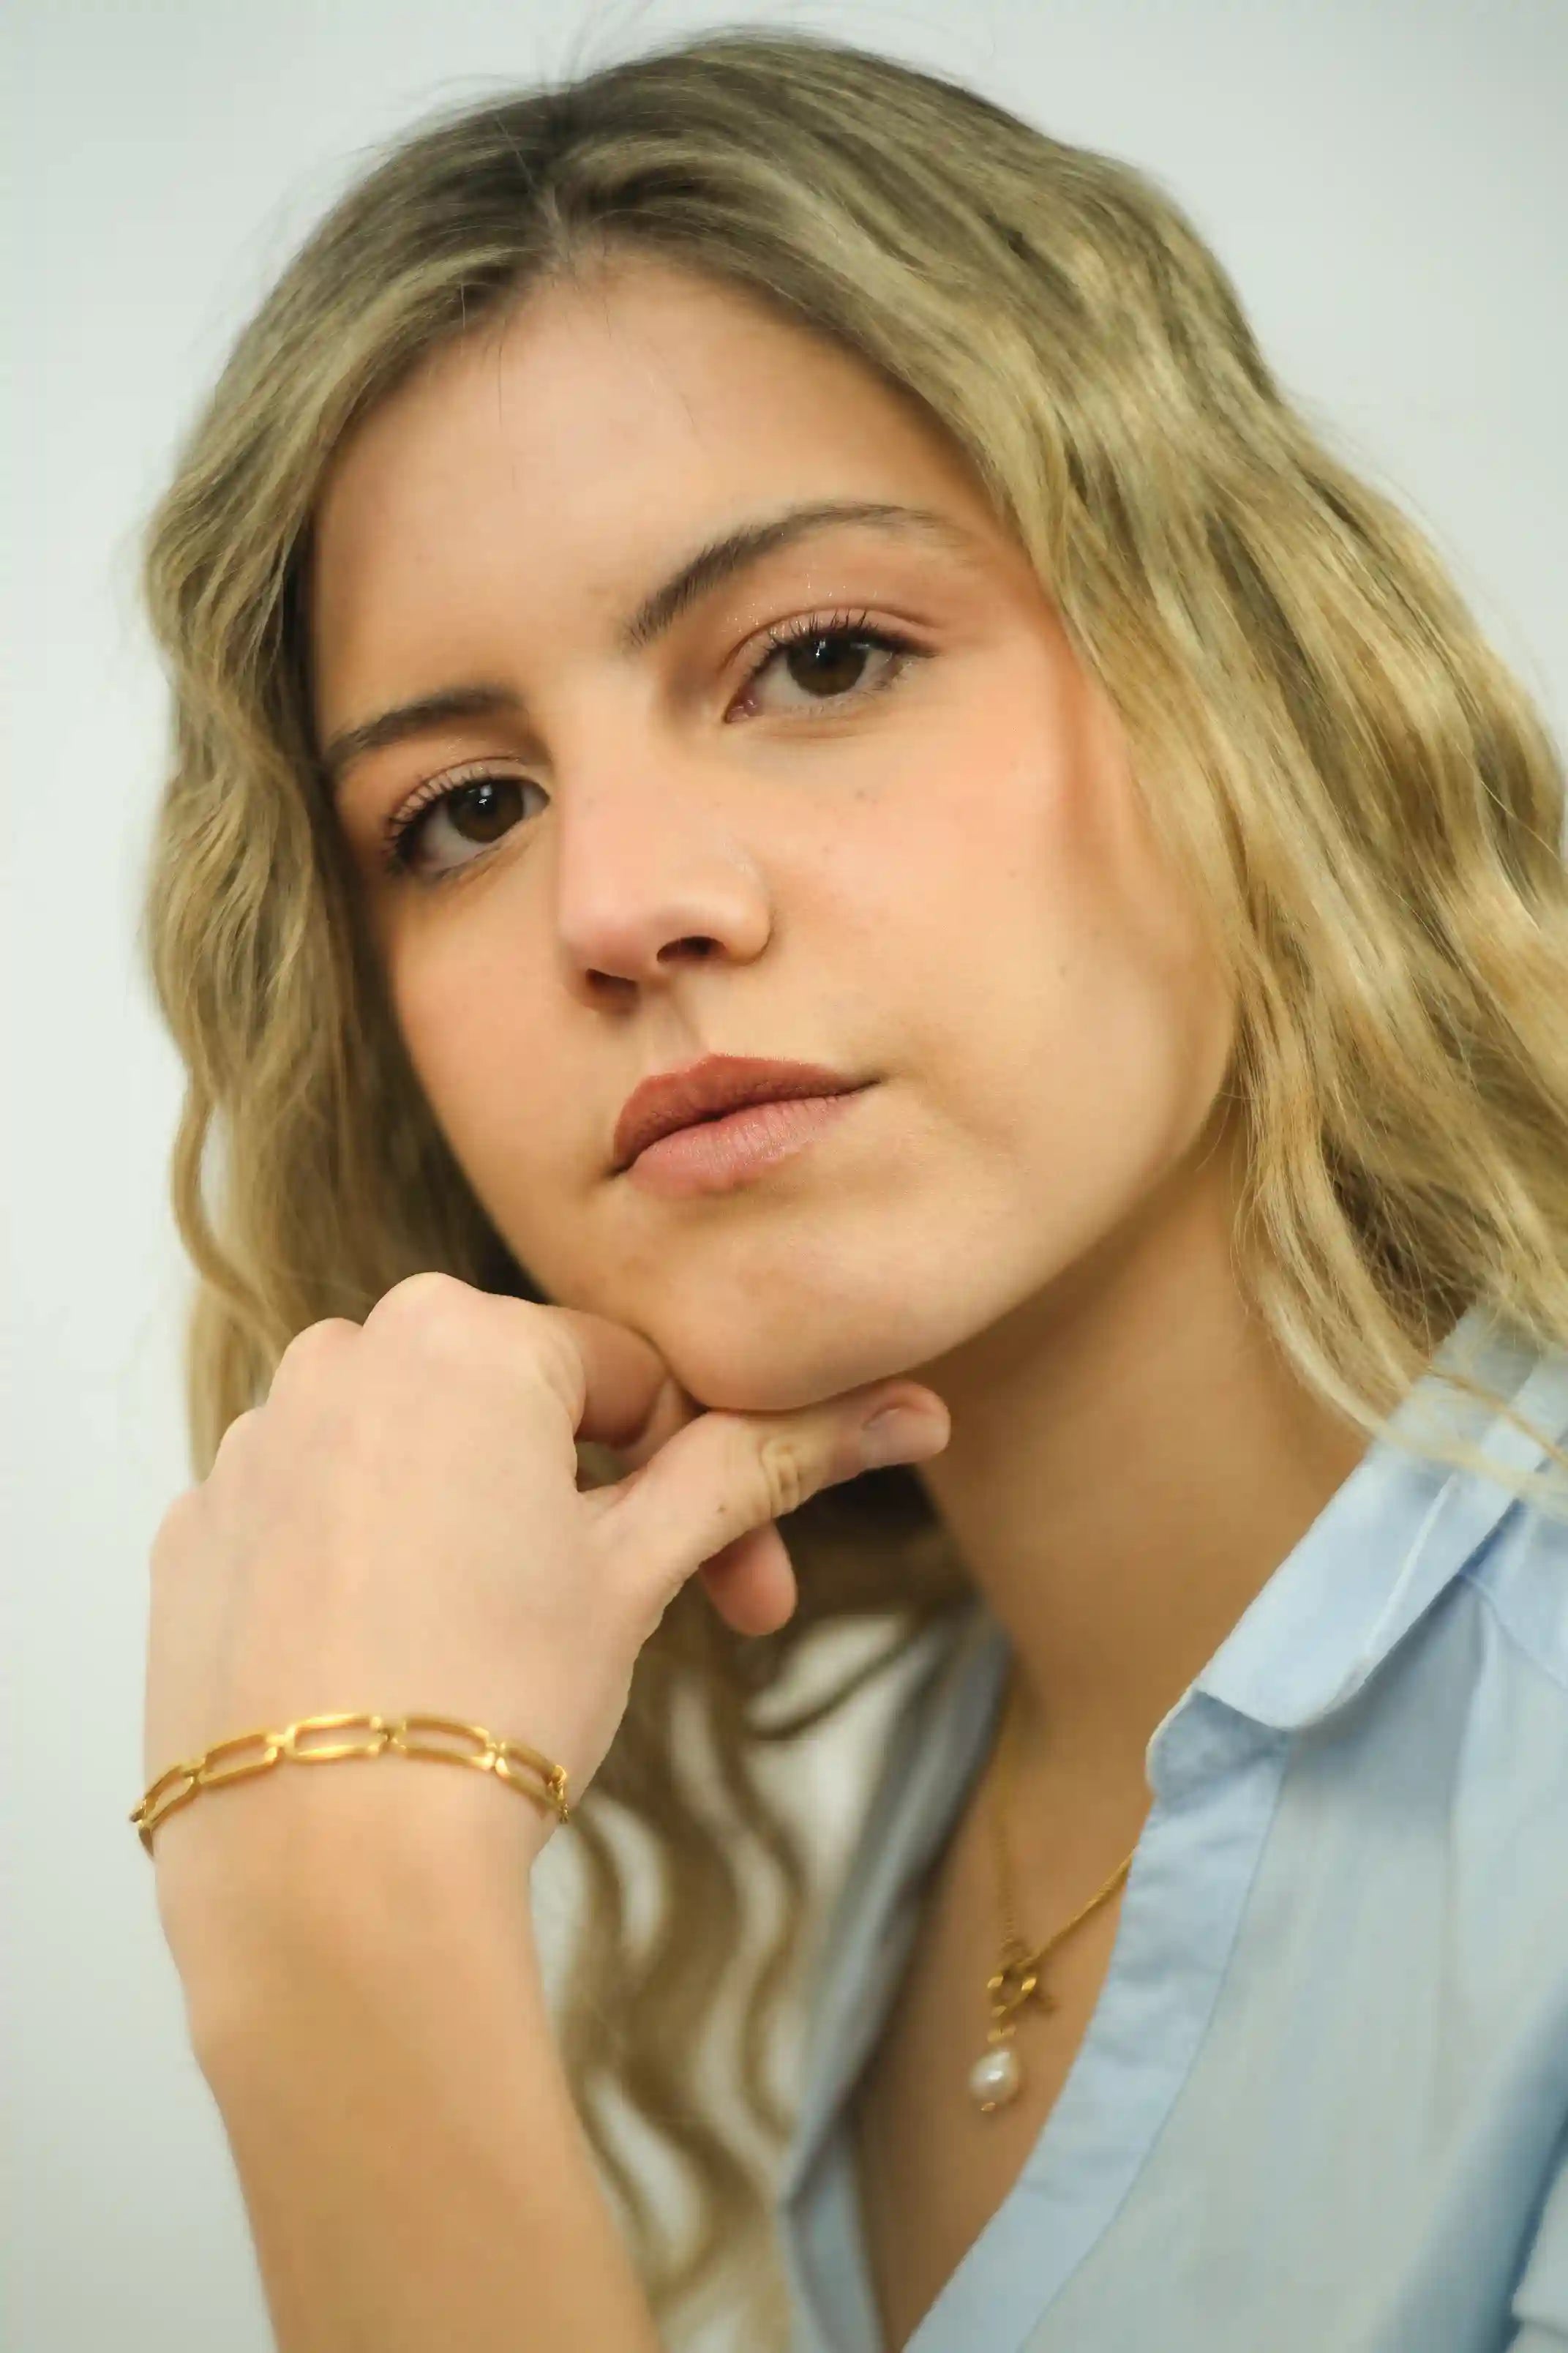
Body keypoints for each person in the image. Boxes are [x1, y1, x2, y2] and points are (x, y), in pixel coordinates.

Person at [128, 25, 1568, 2353]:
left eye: (818, 659)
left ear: (1253, 679)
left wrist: (338, 1913)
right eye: (466, 810)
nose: (622, 902)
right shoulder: (906, 1800)